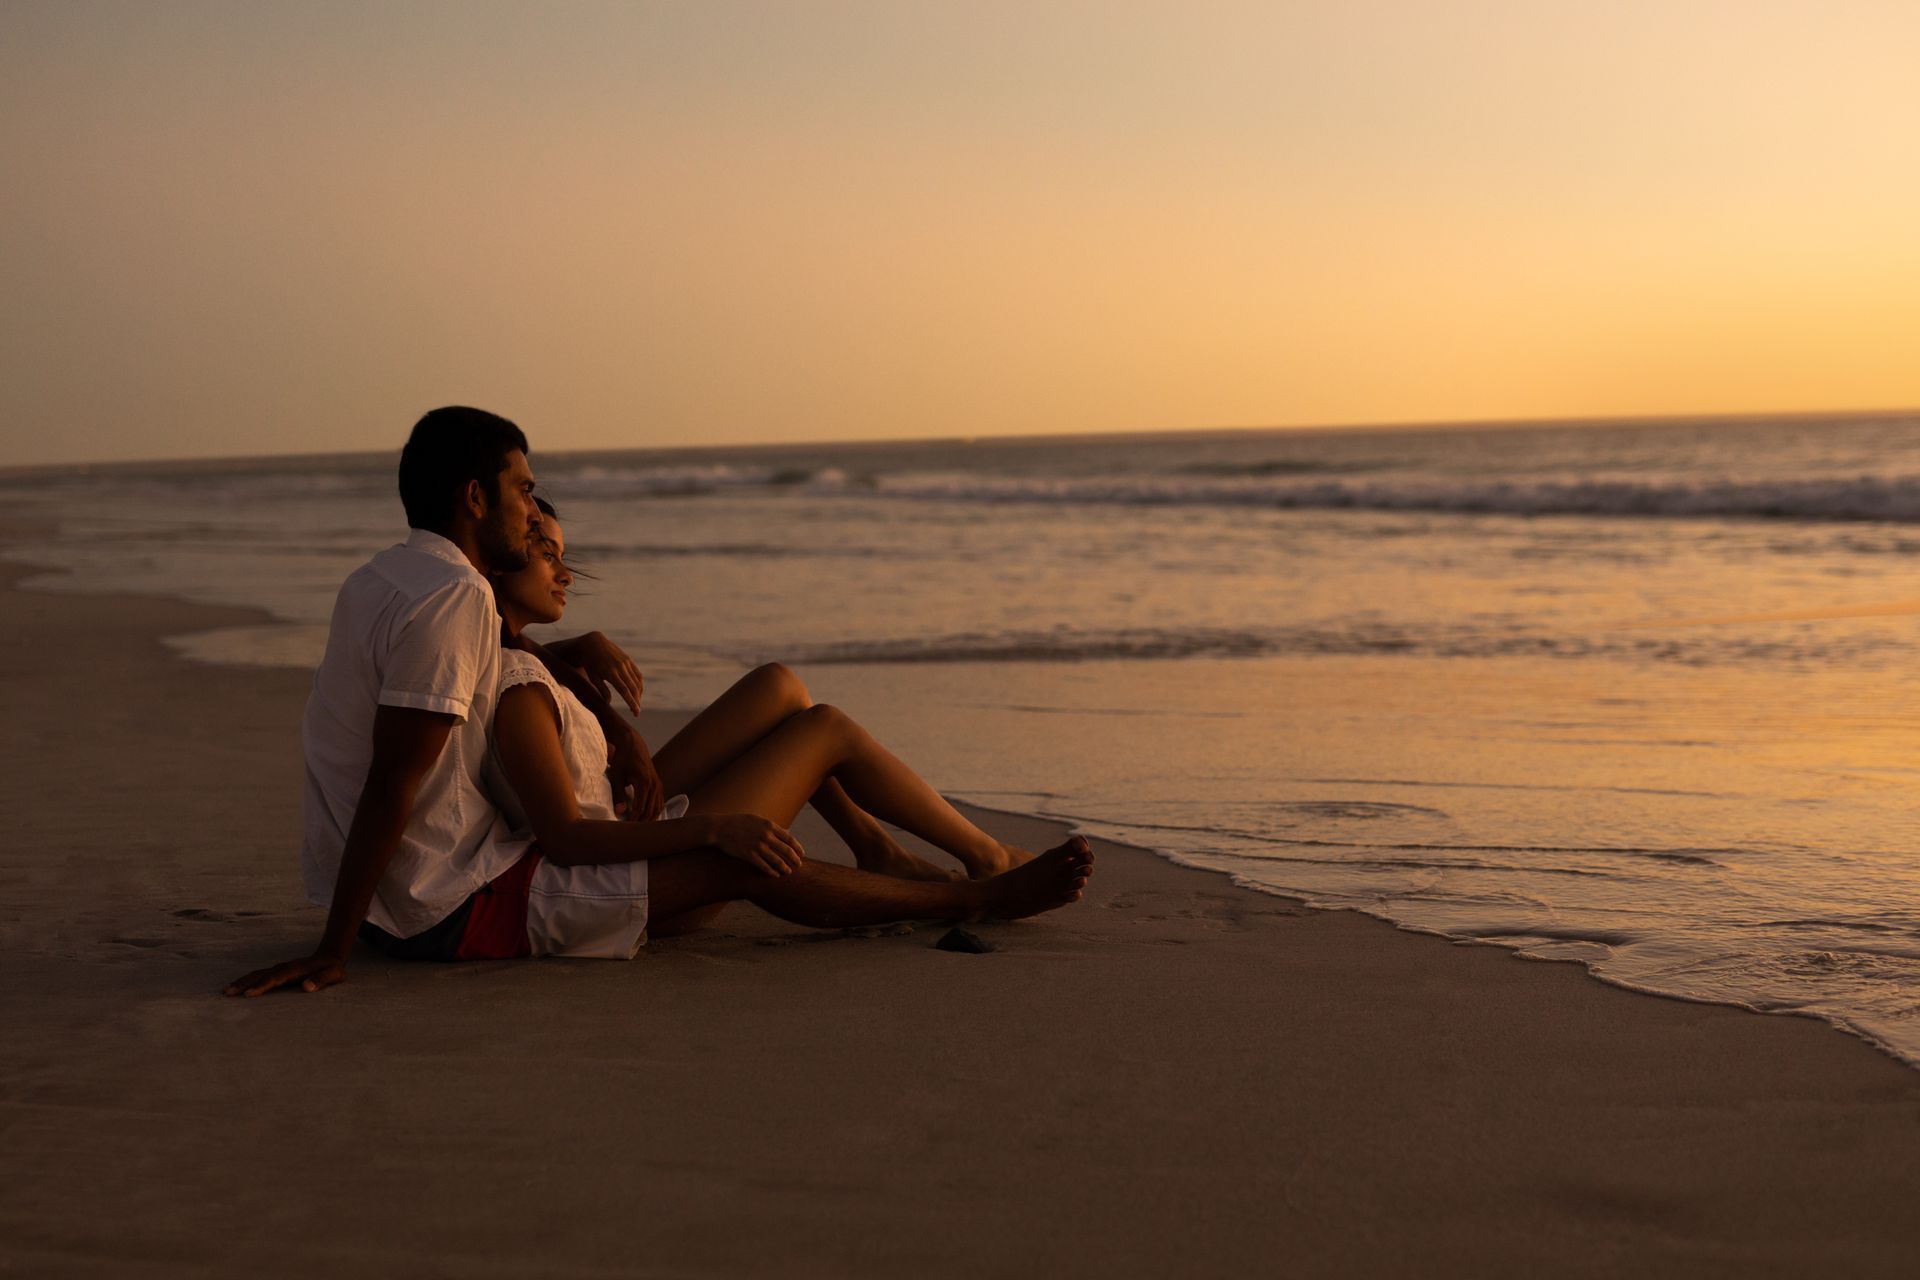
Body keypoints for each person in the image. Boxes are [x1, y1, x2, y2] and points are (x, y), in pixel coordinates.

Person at [462, 512, 1094, 959]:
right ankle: (984, 860)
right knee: (822, 728)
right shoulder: (517, 683)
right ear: (495, 557)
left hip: (624, 818)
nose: (567, 572)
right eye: (546, 551)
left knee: (779, 687)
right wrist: (711, 828)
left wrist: (579, 653)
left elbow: (513, 644)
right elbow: (566, 833)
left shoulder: (497, 645)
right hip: (638, 856)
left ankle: (878, 848)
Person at [225, 407, 667, 996]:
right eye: (525, 491)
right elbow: (392, 778)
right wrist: (331, 950)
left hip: (386, 906)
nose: (534, 512)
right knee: (736, 864)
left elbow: (501, 653)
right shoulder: (455, 597)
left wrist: (598, 690)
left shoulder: (381, 576)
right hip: (447, 903)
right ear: (476, 498)